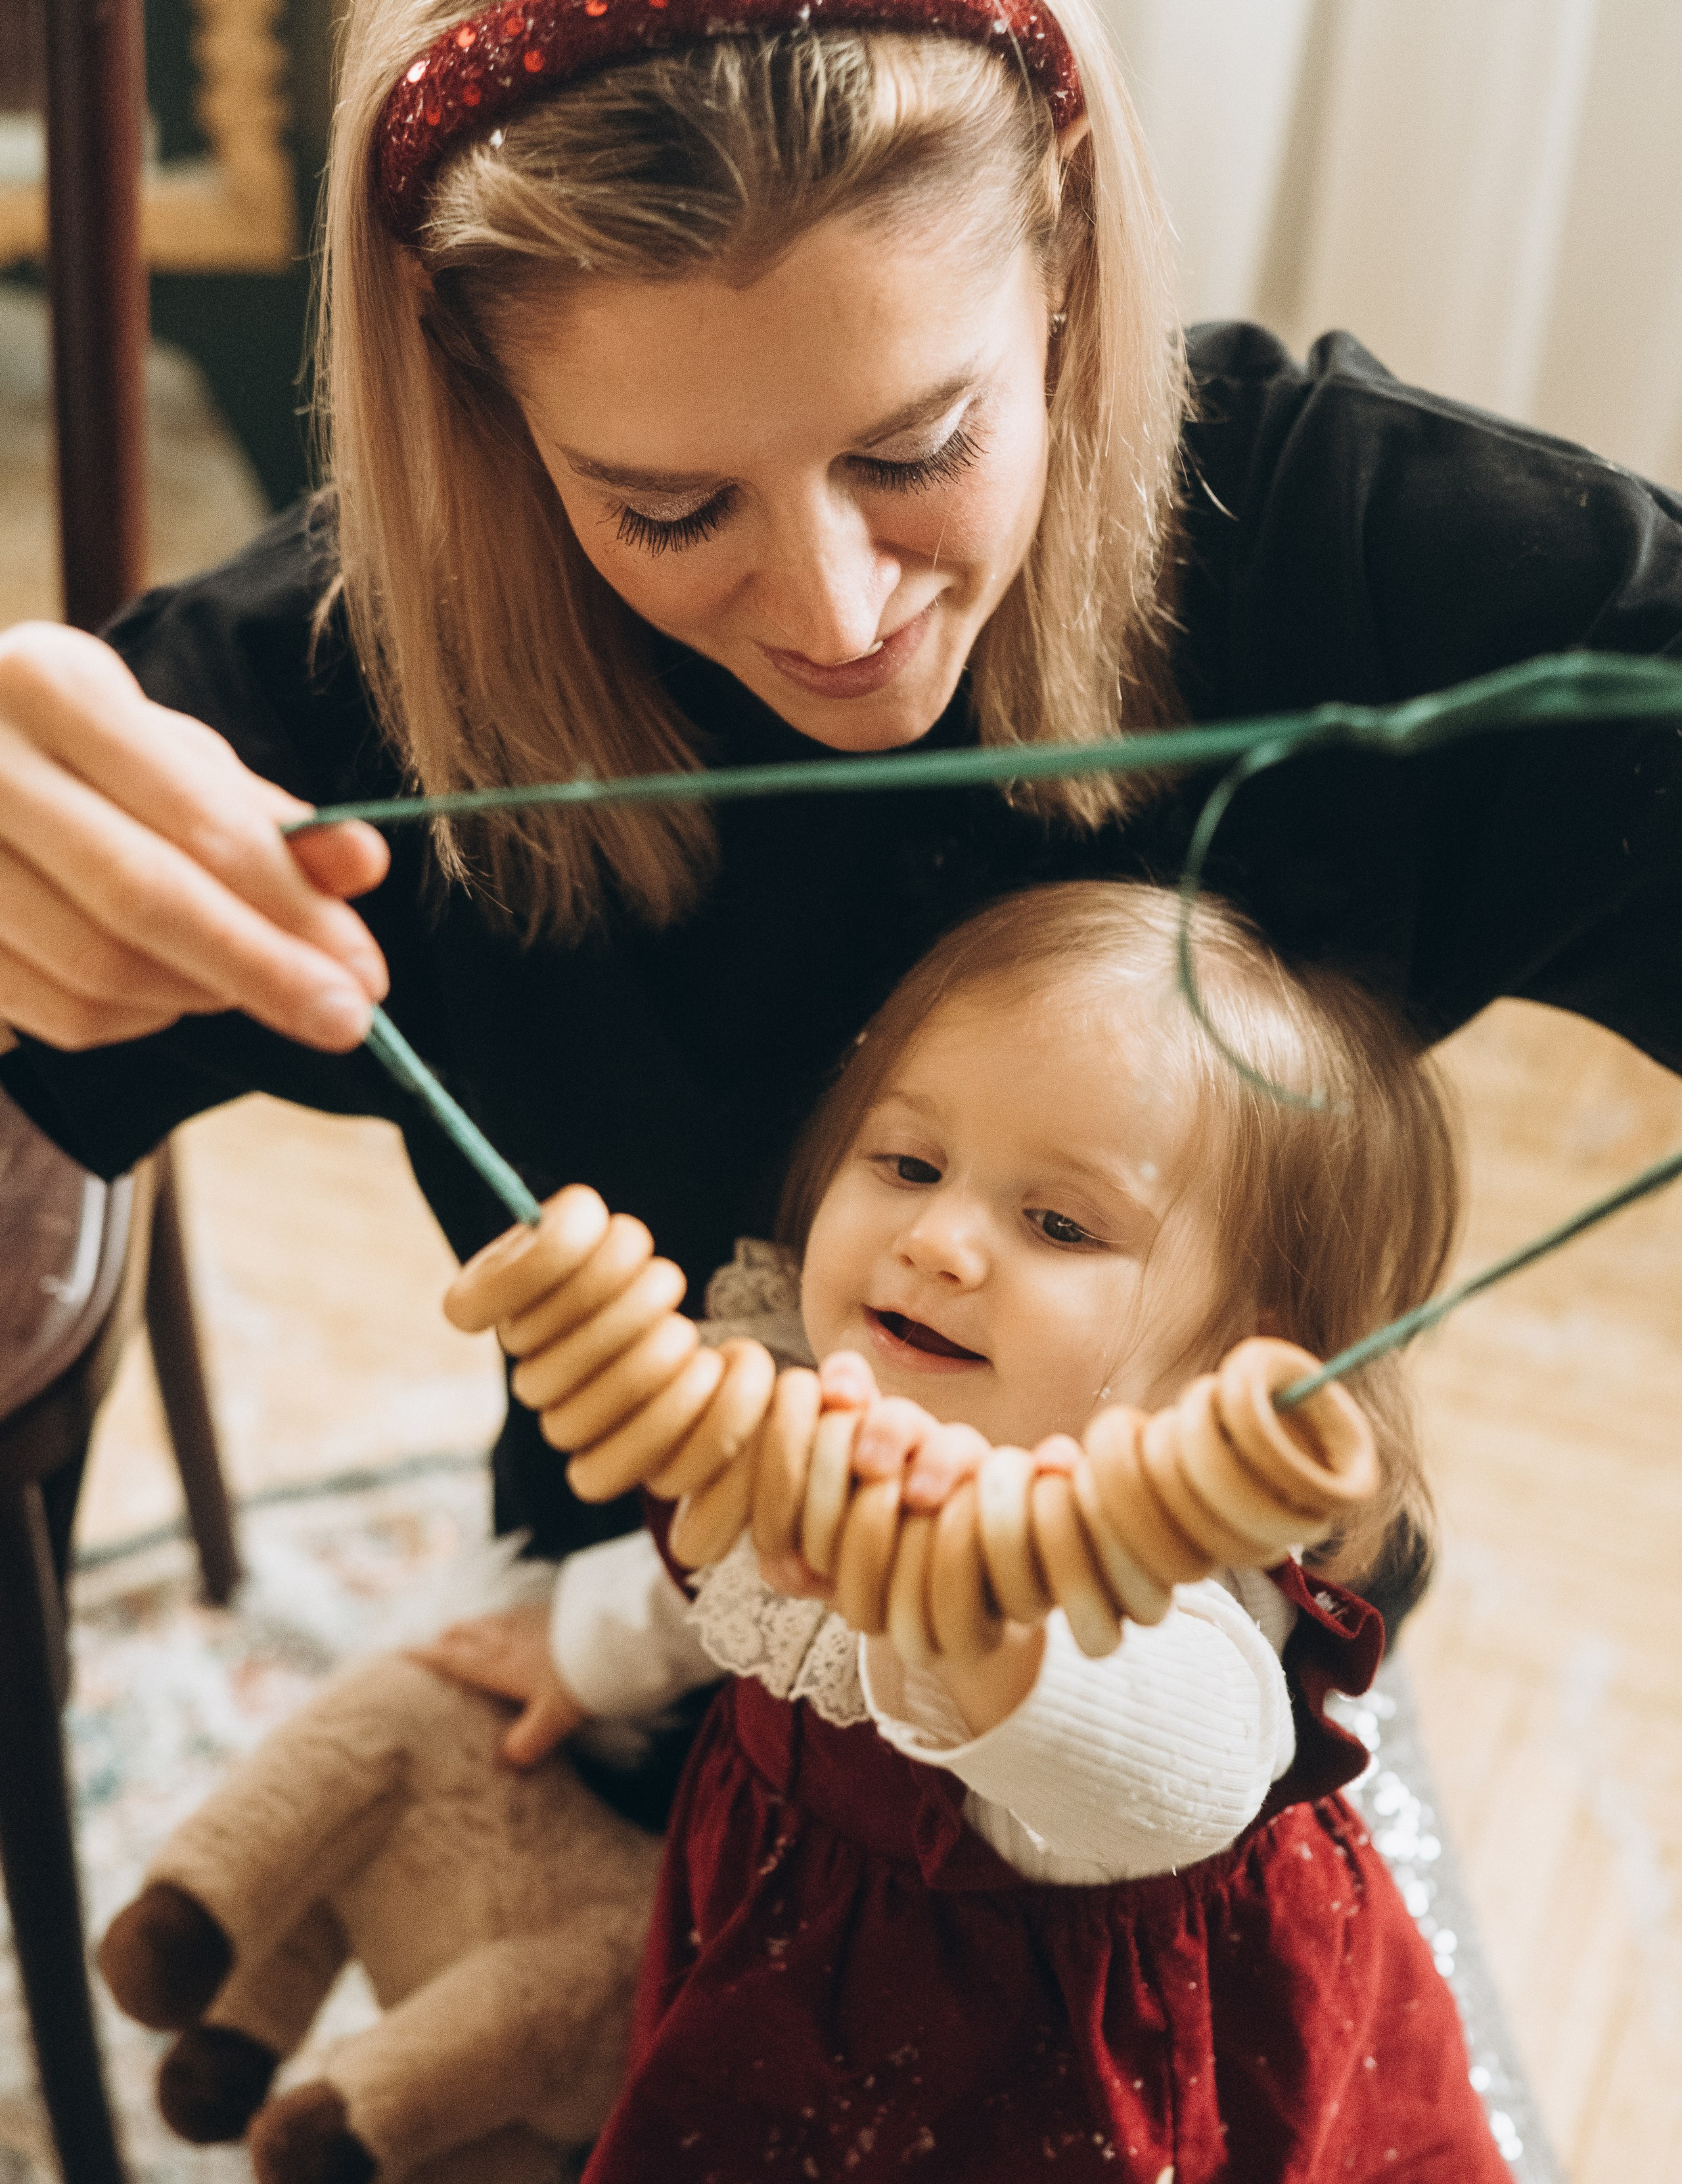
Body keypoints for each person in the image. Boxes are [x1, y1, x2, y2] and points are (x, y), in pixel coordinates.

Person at [1, 0, 1679, 1617]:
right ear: (478, 386)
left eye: (917, 449)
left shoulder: (1371, 557)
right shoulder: (343, 690)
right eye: (667, 509)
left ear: (1065, 244)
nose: (832, 612)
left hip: (1194, 1716)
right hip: (636, 1649)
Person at [412, 878, 1590, 2184]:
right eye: (904, 1161)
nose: (938, 1237)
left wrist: (966, 1617)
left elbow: (1166, 1775)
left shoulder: (1170, 1597)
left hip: (1079, 2133)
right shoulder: (799, 1401)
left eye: (1059, 1227)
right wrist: (587, 1644)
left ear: (1223, 1375)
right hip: (797, 1984)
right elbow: (717, 1581)